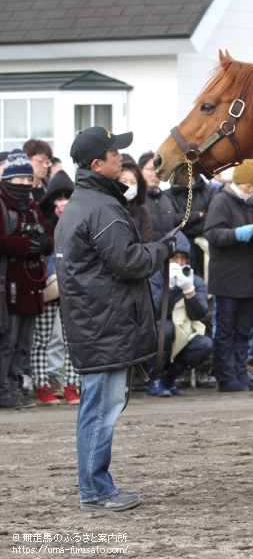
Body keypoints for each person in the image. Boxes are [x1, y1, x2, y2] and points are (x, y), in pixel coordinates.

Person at [56, 126, 175, 511]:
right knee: (101, 410)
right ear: (97, 164)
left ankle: (95, 486)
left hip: (96, 324)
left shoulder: (83, 203)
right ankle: (95, 490)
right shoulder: (102, 206)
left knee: (97, 408)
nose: (120, 159)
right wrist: (161, 248)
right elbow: (129, 262)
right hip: (105, 326)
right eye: (113, 154)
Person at [204, 159, 253, 392]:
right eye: (249, 185)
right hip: (227, 279)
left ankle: (240, 373)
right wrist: (236, 234)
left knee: (243, 330)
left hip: (251, 278)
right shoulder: (221, 201)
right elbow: (212, 234)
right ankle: (226, 376)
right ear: (238, 182)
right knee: (226, 329)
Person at [0, 151, 53, 409]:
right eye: (18, 178)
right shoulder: (1, 203)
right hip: (7, 286)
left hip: (31, 286)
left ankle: (13, 387)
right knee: (6, 342)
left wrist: (42, 244)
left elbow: (49, 238)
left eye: (27, 178)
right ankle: (3, 390)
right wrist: (28, 244)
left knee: (23, 343)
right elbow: (3, 241)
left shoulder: (32, 207)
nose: (23, 184)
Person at [30, 170, 80, 405]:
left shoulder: (80, 222)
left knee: (74, 339)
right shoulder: (43, 224)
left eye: (66, 197)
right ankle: (41, 384)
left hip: (74, 288)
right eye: (57, 198)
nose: (62, 202)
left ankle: (72, 384)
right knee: (42, 338)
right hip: (49, 287)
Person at [147, 232, 213, 396]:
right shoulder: (152, 277)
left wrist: (189, 292)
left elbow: (200, 315)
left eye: (183, 258)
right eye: (174, 258)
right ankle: (154, 378)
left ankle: (170, 378)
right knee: (166, 328)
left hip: (184, 333)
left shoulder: (194, 281)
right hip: (154, 336)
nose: (179, 263)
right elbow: (152, 313)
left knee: (205, 344)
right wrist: (168, 290)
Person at [165, 173, 216, 278]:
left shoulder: (211, 192)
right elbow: (171, 222)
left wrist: (185, 225)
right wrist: (198, 215)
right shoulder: (166, 196)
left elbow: (213, 222)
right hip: (179, 251)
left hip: (207, 249)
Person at [139, 151, 180, 241]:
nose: (155, 174)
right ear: (140, 170)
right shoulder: (137, 199)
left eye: (159, 170)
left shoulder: (167, 198)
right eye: (151, 169)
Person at [119, 157, 153, 243]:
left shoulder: (142, 211)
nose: (128, 186)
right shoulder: (109, 207)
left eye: (133, 182)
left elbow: (147, 241)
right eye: (124, 181)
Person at [23, 139, 52, 204]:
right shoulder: (20, 190)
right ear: (28, 159)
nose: (45, 166)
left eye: (47, 162)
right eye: (41, 160)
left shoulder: (50, 188)